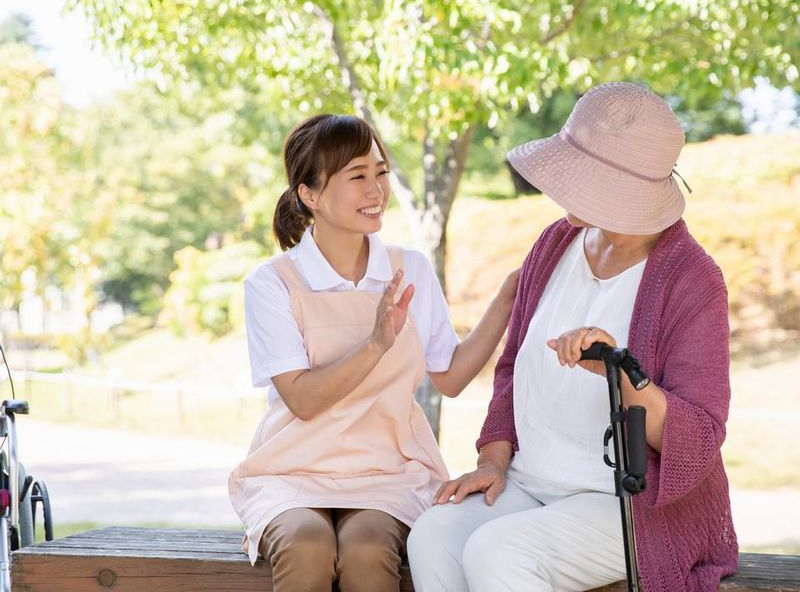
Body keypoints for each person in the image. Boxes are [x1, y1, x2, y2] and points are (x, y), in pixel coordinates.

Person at [407, 82, 738, 592]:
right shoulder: (554, 244)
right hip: (530, 483)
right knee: (434, 534)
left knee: (500, 552)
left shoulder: (691, 278)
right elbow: (512, 366)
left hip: (629, 507)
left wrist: (620, 369)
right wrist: (494, 461)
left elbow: (699, 439)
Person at [228, 114, 519, 592]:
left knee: (366, 550)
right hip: (291, 470)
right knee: (305, 545)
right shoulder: (273, 282)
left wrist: (508, 295)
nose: (376, 189)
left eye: (380, 171)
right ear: (310, 194)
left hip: (390, 471)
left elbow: (449, 374)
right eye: (357, 175)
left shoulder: (410, 269)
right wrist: (376, 343)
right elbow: (302, 400)